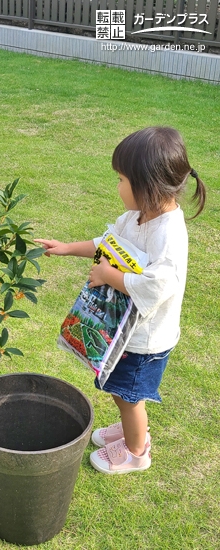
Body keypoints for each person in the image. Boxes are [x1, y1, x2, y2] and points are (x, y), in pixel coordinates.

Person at [36, 127, 206, 474]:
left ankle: (136, 451)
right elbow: (108, 245)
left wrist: (108, 276)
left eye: (122, 179)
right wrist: (66, 248)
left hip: (145, 341)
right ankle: (134, 429)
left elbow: (159, 285)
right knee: (120, 390)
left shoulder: (169, 235)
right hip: (126, 332)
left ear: (150, 186)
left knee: (128, 396)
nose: (117, 186)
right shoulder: (139, 216)